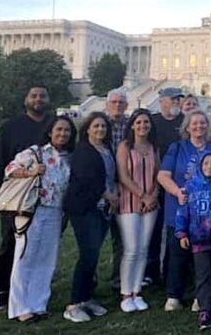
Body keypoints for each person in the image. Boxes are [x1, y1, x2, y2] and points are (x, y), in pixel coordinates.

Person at [157, 109, 211, 312]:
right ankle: (174, 295)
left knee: (204, 259)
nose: (199, 126)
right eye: (195, 123)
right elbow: (163, 175)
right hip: (181, 210)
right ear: (187, 126)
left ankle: (200, 296)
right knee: (178, 254)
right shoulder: (177, 147)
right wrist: (178, 192)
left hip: (208, 215)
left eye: (203, 123)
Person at [0, 84, 51, 311]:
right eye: (34, 96)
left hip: (47, 195)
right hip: (17, 195)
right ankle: (2, 288)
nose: (38, 99)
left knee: (39, 244)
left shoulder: (54, 126)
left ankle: (29, 285)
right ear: (26, 100)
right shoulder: (11, 127)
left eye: (42, 96)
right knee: (11, 241)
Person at [6, 115, 76, 322]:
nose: (62, 134)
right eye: (59, 129)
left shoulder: (68, 157)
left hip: (55, 212)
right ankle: (19, 307)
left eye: (67, 131)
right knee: (25, 257)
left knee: (46, 259)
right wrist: (30, 172)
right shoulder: (35, 152)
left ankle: (38, 303)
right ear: (50, 131)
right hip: (32, 211)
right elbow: (9, 169)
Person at [63, 112, 117, 323]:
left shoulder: (106, 149)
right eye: (96, 126)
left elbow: (111, 176)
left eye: (103, 126)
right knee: (87, 254)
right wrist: (109, 196)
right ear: (87, 129)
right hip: (86, 209)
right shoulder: (83, 151)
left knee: (93, 255)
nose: (100, 130)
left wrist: (112, 197)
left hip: (103, 208)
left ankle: (87, 297)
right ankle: (74, 303)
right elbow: (88, 180)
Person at [174, 151, 211, 330]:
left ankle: (210, 305)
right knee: (203, 275)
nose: (209, 167)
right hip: (199, 239)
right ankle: (204, 311)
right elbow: (182, 212)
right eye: (206, 163)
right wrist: (182, 233)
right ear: (200, 166)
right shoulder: (190, 187)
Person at [115, 109, 159, 313]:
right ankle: (125, 293)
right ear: (132, 125)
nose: (143, 126)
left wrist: (153, 197)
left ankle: (136, 291)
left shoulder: (153, 147)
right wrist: (143, 195)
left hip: (151, 204)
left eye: (146, 122)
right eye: (139, 122)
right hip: (129, 202)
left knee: (143, 249)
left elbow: (159, 174)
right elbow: (123, 176)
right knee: (131, 249)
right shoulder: (124, 146)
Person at [148, 86, 184, 286]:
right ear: (162, 101)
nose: (177, 103)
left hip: (177, 184)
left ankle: (174, 268)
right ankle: (151, 270)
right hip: (155, 181)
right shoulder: (153, 122)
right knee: (153, 228)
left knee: (175, 227)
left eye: (178, 99)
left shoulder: (183, 121)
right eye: (173, 99)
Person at [105, 88, 129, 291]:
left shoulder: (131, 126)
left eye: (121, 102)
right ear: (107, 104)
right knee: (93, 241)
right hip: (102, 187)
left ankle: (119, 279)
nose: (117, 106)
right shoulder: (98, 124)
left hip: (124, 187)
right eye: (113, 102)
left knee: (121, 238)